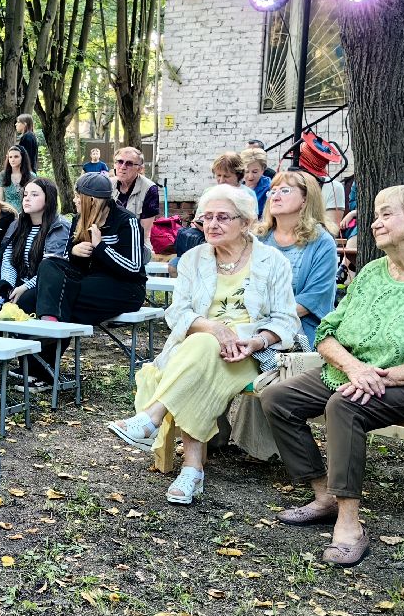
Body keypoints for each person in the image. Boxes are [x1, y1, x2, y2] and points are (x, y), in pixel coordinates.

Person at [262, 185, 404, 566]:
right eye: (376, 214)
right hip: (358, 371)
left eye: (387, 214)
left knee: (345, 406)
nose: (375, 222)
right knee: (278, 399)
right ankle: (325, 496)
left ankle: (350, 525)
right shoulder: (371, 271)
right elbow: (328, 331)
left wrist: (387, 376)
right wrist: (356, 368)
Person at [107, 185, 298, 505]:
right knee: (202, 347)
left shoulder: (272, 262)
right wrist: (213, 328)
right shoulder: (193, 259)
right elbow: (178, 313)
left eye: (222, 217)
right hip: (198, 343)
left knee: (199, 353)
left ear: (246, 221)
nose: (212, 224)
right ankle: (190, 468)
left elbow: (286, 320)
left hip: (248, 353)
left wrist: (256, 340)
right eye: (206, 218)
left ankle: (157, 423)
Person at [34, 171, 145, 324]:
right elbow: (70, 260)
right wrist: (74, 252)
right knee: (49, 265)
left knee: (53, 297)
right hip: (87, 280)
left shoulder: (127, 221)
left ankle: (51, 330)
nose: (74, 200)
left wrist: (101, 247)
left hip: (125, 289)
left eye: (77, 197)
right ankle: (49, 328)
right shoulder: (78, 219)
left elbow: (134, 268)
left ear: (91, 200)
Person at [257, 169, 338, 346]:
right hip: (252, 322)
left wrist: (267, 325)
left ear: (305, 199)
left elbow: (312, 299)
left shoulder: (321, 242)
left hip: (299, 329)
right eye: (273, 191)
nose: (275, 197)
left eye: (285, 190)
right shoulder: (258, 238)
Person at [0, 176, 69, 314]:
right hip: (19, 282)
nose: (27, 199)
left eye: (34, 195)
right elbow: (9, 258)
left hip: (44, 287)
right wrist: (7, 286)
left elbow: (51, 269)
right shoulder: (17, 224)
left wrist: (25, 287)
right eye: (25, 194)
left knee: (24, 301)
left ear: (48, 198)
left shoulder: (59, 226)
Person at [111, 146, 160, 250]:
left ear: (139, 168)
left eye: (129, 163)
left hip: (137, 244)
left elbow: (144, 231)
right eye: (119, 161)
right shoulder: (108, 185)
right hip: (109, 241)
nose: (122, 167)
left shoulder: (150, 189)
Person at [0, 142, 35, 211]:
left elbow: (34, 198)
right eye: (10, 157)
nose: (12, 160)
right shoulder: (2, 175)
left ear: (22, 158)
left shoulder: (31, 176)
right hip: (8, 213)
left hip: (26, 213)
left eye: (16, 157)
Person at [240, 147, 273, 215]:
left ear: (263, 169)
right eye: (246, 171)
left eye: (255, 172)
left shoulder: (269, 189)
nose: (250, 176)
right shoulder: (238, 187)